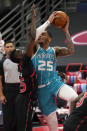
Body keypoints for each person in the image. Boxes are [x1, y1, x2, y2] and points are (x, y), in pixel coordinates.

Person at [30, 10, 78, 131]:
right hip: (41, 88)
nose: (40, 36)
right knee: (53, 127)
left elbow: (71, 50)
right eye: (40, 34)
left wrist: (66, 31)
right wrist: (47, 22)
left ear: (50, 39)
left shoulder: (54, 50)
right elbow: (34, 35)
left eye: (43, 34)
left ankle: (71, 122)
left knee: (74, 97)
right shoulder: (35, 49)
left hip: (54, 82)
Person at [10, 4, 38, 131]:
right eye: (18, 52)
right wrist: (33, 17)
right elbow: (32, 37)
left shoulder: (22, 65)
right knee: (26, 126)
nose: (21, 51)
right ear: (18, 58)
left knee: (23, 124)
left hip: (22, 98)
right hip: (25, 99)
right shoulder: (25, 60)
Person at [0, 41, 20, 131]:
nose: (9, 48)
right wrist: (1, 95)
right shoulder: (2, 62)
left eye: (11, 46)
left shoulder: (21, 60)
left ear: (14, 48)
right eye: (7, 47)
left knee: (19, 116)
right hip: (8, 90)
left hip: (20, 90)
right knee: (8, 116)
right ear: (4, 49)